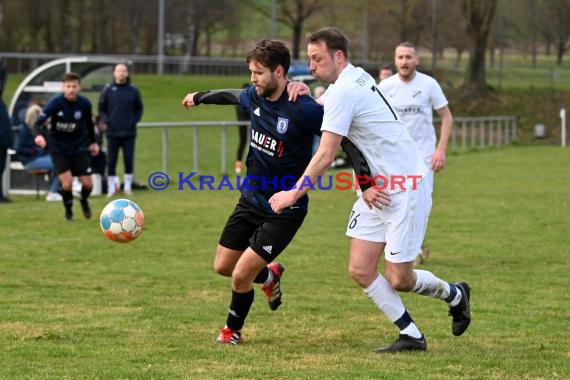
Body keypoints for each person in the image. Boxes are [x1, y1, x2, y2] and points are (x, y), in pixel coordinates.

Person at [269, 27, 470, 353]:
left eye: (317, 58)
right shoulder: (353, 79)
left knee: (399, 279)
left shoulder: (347, 90)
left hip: (406, 186)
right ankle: (412, 335)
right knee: (360, 269)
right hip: (376, 189)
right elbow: (332, 108)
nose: (312, 65)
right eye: (309, 59)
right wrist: (309, 93)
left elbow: (327, 154)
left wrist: (293, 193)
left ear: (338, 56)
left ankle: (456, 294)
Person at [181, 39, 323, 345]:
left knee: (241, 275)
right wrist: (200, 97)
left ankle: (232, 331)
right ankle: (270, 276)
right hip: (250, 199)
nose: (253, 78)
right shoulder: (254, 96)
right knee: (223, 266)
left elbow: (341, 134)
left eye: (259, 72)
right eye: (251, 71)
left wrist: (365, 179)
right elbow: (232, 96)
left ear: (279, 71)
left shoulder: (304, 109)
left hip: (284, 209)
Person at [378, 42, 453, 264]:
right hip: (394, 158)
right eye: (400, 57)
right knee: (392, 202)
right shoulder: (385, 86)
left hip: (424, 157)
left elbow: (447, 117)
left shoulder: (429, 84)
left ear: (417, 60)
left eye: (408, 57)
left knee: (420, 204)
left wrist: (440, 150)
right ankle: (400, 248)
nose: (404, 61)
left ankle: (414, 249)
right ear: (395, 60)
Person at [33, 72, 99, 221]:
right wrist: (39, 135)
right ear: (63, 87)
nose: (71, 89)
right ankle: (68, 212)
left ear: (79, 87)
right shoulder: (56, 103)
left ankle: (83, 200)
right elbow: (37, 123)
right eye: (68, 86)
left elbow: (89, 125)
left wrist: (93, 143)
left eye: (74, 86)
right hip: (59, 148)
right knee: (67, 183)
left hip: (79, 148)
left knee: (88, 184)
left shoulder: (84, 104)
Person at [98, 63, 143, 197]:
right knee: (111, 160)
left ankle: (128, 186)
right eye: (119, 71)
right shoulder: (108, 90)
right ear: (114, 73)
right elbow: (102, 108)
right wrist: (106, 121)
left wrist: (133, 121)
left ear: (127, 73)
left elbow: (139, 109)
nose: (121, 73)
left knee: (128, 159)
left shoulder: (133, 90)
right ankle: (111, 188)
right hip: (112, 132)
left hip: (129, 132)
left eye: (124, 71)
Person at [15, 104, 62, 201]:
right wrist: (34, 151)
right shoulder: (24, 130)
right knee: (60, 164)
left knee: (62, 160)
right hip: (30, 160)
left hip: (40, 157)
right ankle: (53, 191)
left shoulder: (40, 130)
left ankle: (58, 189)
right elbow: (18, 148)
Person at [234, 83, 250, 175]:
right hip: (243, 126)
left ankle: (248, 166)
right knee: (243, 144)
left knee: (250, 145)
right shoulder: (240, 102)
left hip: (249, 126)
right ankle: (238, 165)